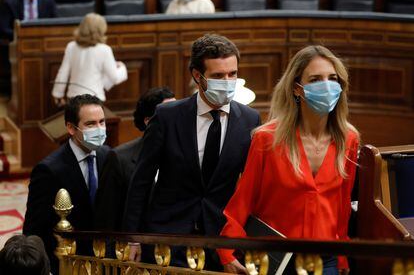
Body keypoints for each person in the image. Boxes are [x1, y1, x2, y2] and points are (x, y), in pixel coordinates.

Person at [217, 45, 360, 275]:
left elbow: (342, 203)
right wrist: (227, 251)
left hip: (326, 258)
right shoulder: (267, 138)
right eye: (315, 79)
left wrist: (342, 254)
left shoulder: (348, 139)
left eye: (333, 79)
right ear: (297, 88)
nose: (327, 85)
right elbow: (244, 199)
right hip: (276, 259)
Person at [123, 34, 261, 270]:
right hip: (168, 238)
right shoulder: (167, 117)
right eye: (218, 76)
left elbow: (250, 186)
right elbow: (141, 181)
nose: (228, 81)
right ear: (197, 76)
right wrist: (133, 237)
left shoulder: (250, 119)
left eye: (233, 74)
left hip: (220, 241)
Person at [23, 94, 111, 274]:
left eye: (102, 122)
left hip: (105, 259)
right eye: (90, 124)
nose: (99, 129)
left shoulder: (109, 156)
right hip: (66, 262)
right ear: (71, 128)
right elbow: (34, 227)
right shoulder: (48, 170)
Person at [94, 87, 175, 231]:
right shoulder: (119, 159)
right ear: (148, 121)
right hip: (134, 247)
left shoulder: (187, 152)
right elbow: (107, 218)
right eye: (170, 116)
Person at [51, 13, 127, 106]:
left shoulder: (71, 46)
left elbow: (63, 73)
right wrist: (122, 68)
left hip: (73, 99)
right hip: (95, 99)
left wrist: (58, 94)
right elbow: (114, 77)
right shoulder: (104, 49)